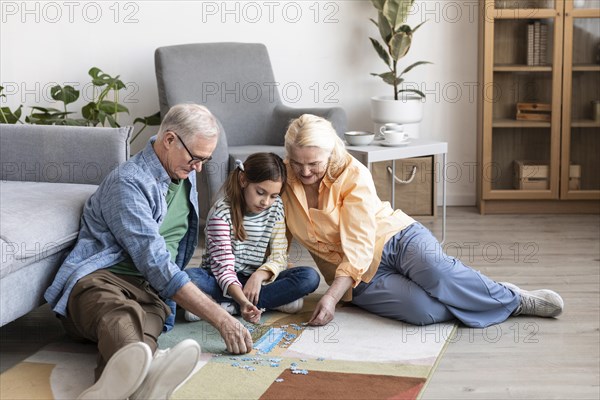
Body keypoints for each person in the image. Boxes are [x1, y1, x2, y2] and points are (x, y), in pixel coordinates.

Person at [44, 104, 253, 400]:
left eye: (205, 160)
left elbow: (169, 260)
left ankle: (132, 388)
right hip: (100, 282)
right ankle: (142, 380)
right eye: (196, 158)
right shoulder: (128, 182)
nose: (199, 168)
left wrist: (169, 297)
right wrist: (221, 318)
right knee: (122, 316)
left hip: (153, 294)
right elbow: (155, 262)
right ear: (169, 140)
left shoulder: (183, 171)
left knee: (143, 339)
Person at [281, 114, 564, 328]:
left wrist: (329, 297)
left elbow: (359, 242)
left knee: (437, 274)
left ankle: (512, 299)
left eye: (314, 164)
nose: (304, 172)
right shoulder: (282, 179)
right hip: (360, 277)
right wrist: (268, 273)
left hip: (395, 238)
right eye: (297, 163)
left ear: (330, 153)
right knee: (423, 311)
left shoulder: (352, 173)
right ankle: (476, 291)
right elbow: (277, 234)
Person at [185, 152, 320, 324]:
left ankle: (219, 306)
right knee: (189, 278)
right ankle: (263, 303)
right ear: (243, 180)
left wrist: (258, 277)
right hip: (221, 280)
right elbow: (223, 269)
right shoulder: (221, 214)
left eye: (273, 195)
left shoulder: (276, 206)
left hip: (257, 280)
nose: (266, 202)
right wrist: (242, 300)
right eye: (260, 192)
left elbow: (279, 255)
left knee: (309, 277)